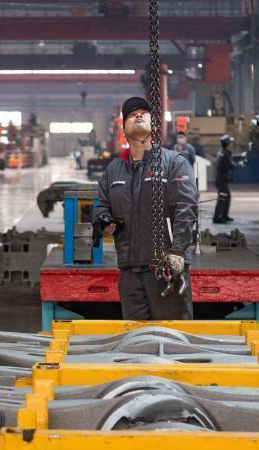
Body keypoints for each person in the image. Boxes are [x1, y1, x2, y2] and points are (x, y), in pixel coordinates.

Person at [94, 96, 198, 320]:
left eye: (143, 112)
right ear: (124, 128)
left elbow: (186, 208)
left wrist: (178, 251)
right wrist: (103, 221)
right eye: (132, 114)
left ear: (155, 125)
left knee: (172, 335)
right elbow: (102, 205)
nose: (138, 115)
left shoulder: (174, 163)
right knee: (135, 337)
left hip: (166, 268)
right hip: (130, 271)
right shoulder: (114, 170)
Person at [213, 134, 234, 224]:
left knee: (227, 197)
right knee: (222, 198)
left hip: (222, 179)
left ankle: (224, 215)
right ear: (227, 144)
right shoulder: (224, 154)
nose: (232, 144)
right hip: (222, 180)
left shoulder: (224, 152)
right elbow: (229, 165)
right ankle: (217, 217)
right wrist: (239, 164)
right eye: (230, 142)